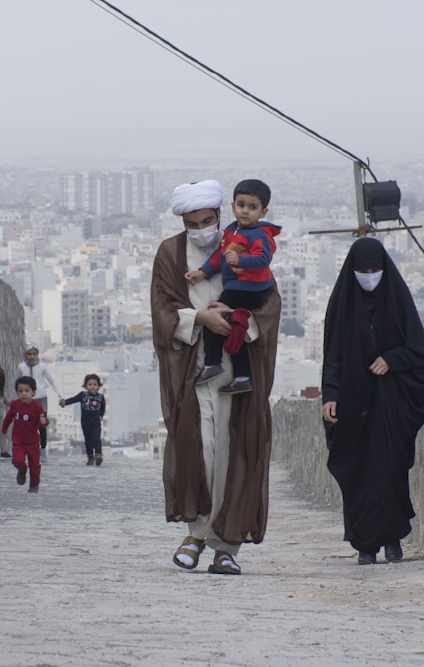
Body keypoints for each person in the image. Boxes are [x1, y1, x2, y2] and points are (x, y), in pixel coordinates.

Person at [152, 179, 281, 575]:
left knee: (233, 454)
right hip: (194, 370)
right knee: (199, 452)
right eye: (195, 223)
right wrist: (200, 319)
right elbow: (161, 310)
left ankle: (227, 545)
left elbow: (269, 302)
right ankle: (196, 533)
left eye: (209, 220)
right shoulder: (171, 254)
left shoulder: (240, 244)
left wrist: (240, 326)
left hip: (237, 373)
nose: (203, 229)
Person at [321, 237, 424, 565]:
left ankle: (393, 539)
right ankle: (364, 544)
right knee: (358, 473)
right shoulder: (342, 303)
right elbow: (332, 356)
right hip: (353, 403)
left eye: (374, 270)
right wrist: (331, 395)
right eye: (362, 270)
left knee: (390, 470)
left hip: (390, 403)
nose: (369, 275)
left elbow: (418, 351)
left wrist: (391, 360)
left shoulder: (397, 300)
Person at [185, 179, 281, 395]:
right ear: (232, 206)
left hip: (247, 290)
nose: (245, 211)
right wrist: (203, 272)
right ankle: (242, 376)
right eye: (241, 205)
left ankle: (212, 363)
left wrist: (240, 260)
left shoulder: (259, 234)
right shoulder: (233, 230)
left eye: (252, 207)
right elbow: (220, 256)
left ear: (263, 212)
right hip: (239, 288)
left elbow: (263, 260)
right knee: (235, 332)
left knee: (213, 316)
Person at [16, 343, 62, 463]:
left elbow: (51, 381)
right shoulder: (21, 367)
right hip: (26, 400)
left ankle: (43, 450)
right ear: (26, 355)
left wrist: (60, 395)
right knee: (26, 425)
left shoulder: (42, 367)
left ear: (37, 354)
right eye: (29, 354)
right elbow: (16, 383)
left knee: (42, 425)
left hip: (41, 398)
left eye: (34, 354)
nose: (31, 356)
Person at [2, 376, 49, 493]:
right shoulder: (15, 405)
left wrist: (44, 422)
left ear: (33, 392)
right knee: (17, 460)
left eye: (27, 391)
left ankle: (34, 484)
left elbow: (44, 421)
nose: (23, 394)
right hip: (18, 441)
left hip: (33, 442)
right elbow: (8, 418)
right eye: (20, 391)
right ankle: (22, 470)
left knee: (34, 466)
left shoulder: (37, 407)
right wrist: (4, 428)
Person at [59, 374, 107, 466]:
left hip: (96, 422)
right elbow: (73, 399)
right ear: (85, 386)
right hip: (85, 422)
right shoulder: (83, 395)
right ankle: (90, 457)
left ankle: (98, 455)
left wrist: (101, 415)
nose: (92, 386)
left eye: (94, 384)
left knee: (96, 438)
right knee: (88, 440)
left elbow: (103, 407)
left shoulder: (101, 397)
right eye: (90, 384)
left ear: (98, 386)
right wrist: (65, 402)